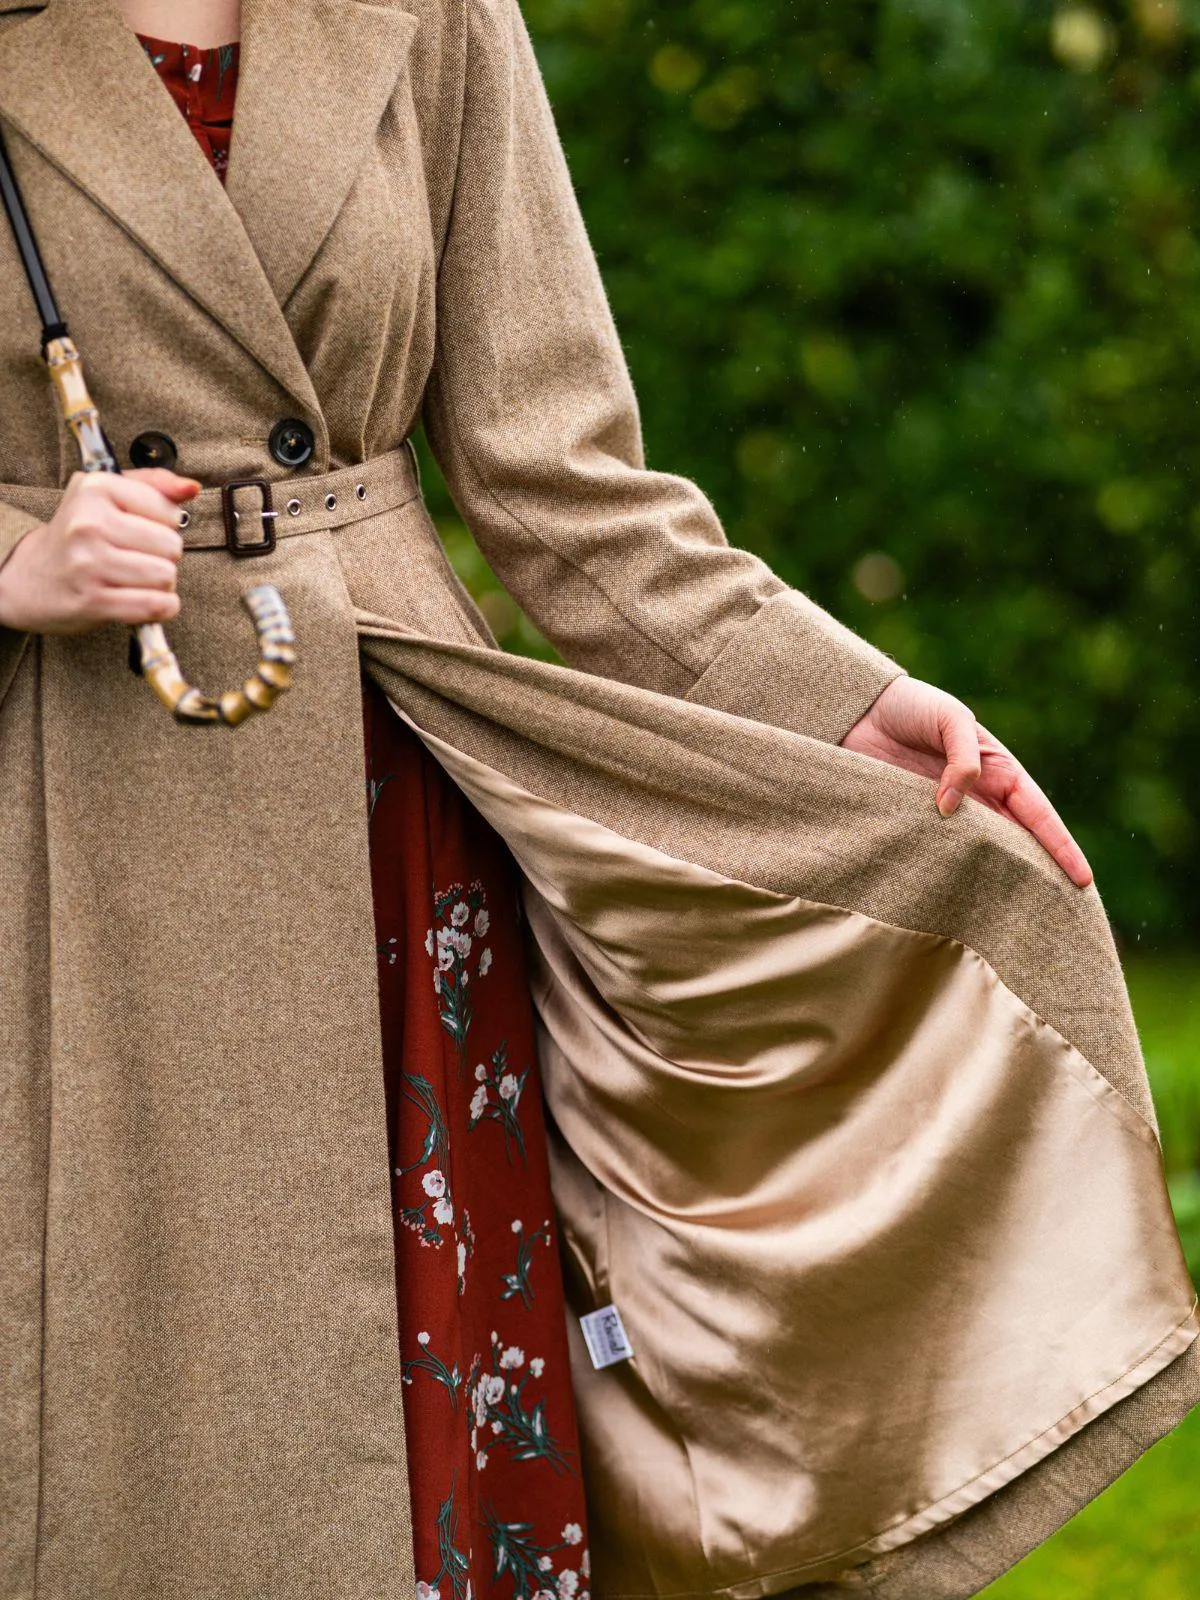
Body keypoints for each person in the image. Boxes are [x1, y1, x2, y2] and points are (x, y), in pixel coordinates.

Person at [0, 2, 1193, 1599]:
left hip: (391, 829)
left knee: (425, 1418)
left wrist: (846, 701)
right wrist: (17, 562)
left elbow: (559, 479)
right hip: (75, 832)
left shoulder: (426, 13)